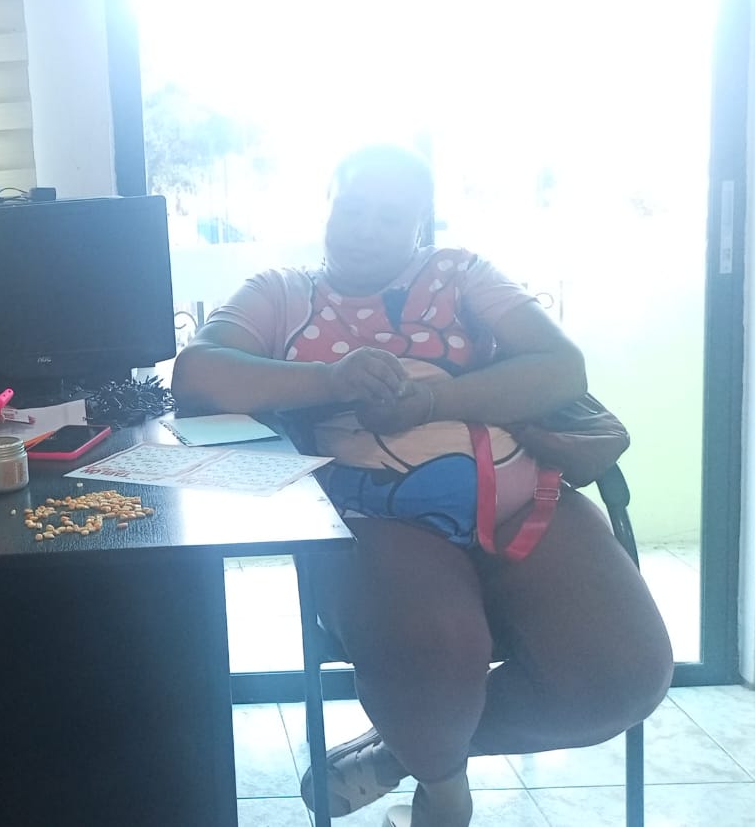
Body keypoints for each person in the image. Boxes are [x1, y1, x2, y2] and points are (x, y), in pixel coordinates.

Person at [171, 145, 672, 827]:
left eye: (390, 216)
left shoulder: (461, 273)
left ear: (419, 224)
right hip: (374, 518)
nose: (366, 229)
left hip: (522, 499)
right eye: (353, 208)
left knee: (624, 676)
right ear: (327, 205)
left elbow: (561, 369)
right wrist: (332, 379)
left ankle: (403, 754)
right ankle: (444, 791)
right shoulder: (280, 291)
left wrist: (433, 402)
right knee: (434, 650)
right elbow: (197, 375)